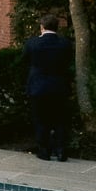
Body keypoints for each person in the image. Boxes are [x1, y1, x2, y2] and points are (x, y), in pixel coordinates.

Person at [22, 14, 74, 161]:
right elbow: (68, 61)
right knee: (60, 120)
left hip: (38, 86)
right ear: (57, 27)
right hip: (59, 86)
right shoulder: (65, 43)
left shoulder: (32, 43)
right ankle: (61, 151)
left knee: (40, 119)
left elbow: (25, 60)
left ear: (42, 27)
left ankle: (44, 150)